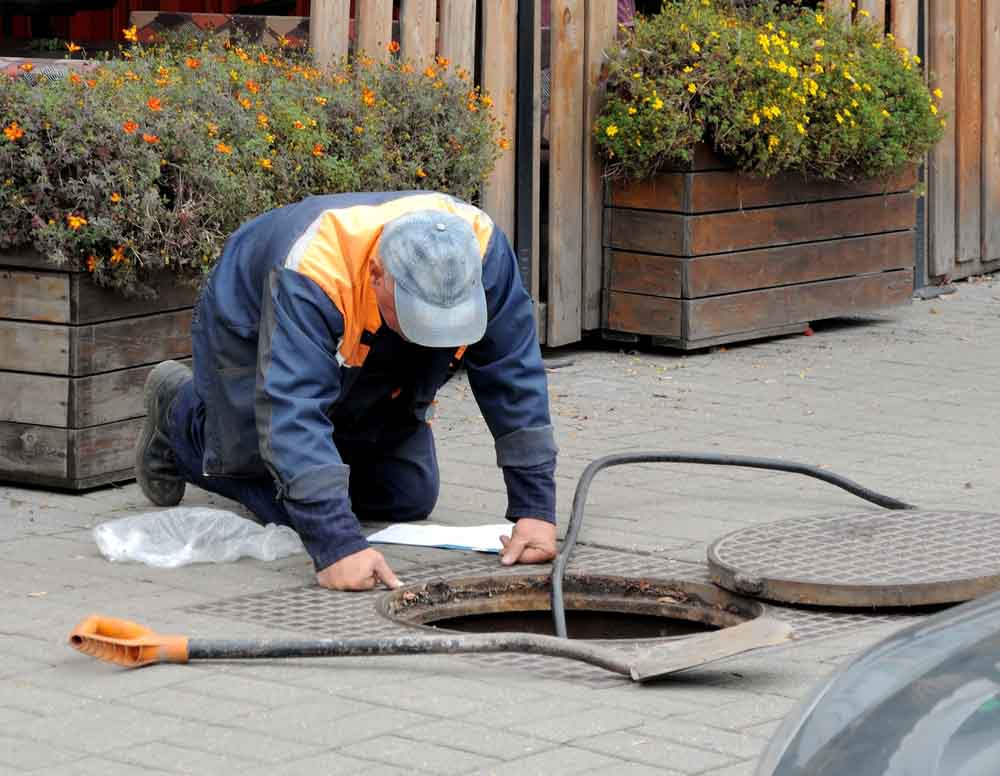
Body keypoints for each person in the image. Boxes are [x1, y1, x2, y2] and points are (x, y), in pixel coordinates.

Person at [135, 191, 558, 591]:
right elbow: (292, 409)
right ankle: (178, 417)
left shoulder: (482, 254)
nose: (433, 334)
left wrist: (535, 509)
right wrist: (337, 546)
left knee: (407, 496)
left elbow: (513, 374)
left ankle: (321, 475)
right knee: (291, 504)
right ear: (377, 274)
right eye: (420, 318)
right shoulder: (313, 271)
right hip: (251, 316)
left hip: (367, 333)